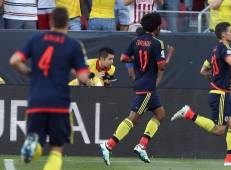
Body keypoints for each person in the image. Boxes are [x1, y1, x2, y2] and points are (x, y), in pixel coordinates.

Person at [9, 7, 90, 170]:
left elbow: (14, 61)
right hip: (59, 103)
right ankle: (35, 148)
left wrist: (30, 72)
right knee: (56, 150)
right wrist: (85, 77)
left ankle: (34, 146)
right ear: (67, 23)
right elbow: (83, 78)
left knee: (38, 140)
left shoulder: (36, 39)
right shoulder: (74, 45)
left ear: (51, 21)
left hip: (36, 100)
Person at [99, 12, 172, 166]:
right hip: (147, 87)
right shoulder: (158, 43)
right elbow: (162, 66)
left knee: (160, 114)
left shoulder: (135, 41)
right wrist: (169, 57)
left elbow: (123, 58)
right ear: (157, 27)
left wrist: (137, 59)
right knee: (134, 118)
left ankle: (141, 145)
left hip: (142, 84)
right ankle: (108, 145)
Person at [171, 22, 231, 167]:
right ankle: (188, 113)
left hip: (223, 92)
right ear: (223, 34)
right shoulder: (224, 48)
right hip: (220, 94)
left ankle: (230, 159)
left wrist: (216, 79)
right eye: (230, 31)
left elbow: (203, 70)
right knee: (219, 130)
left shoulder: (215, 50)